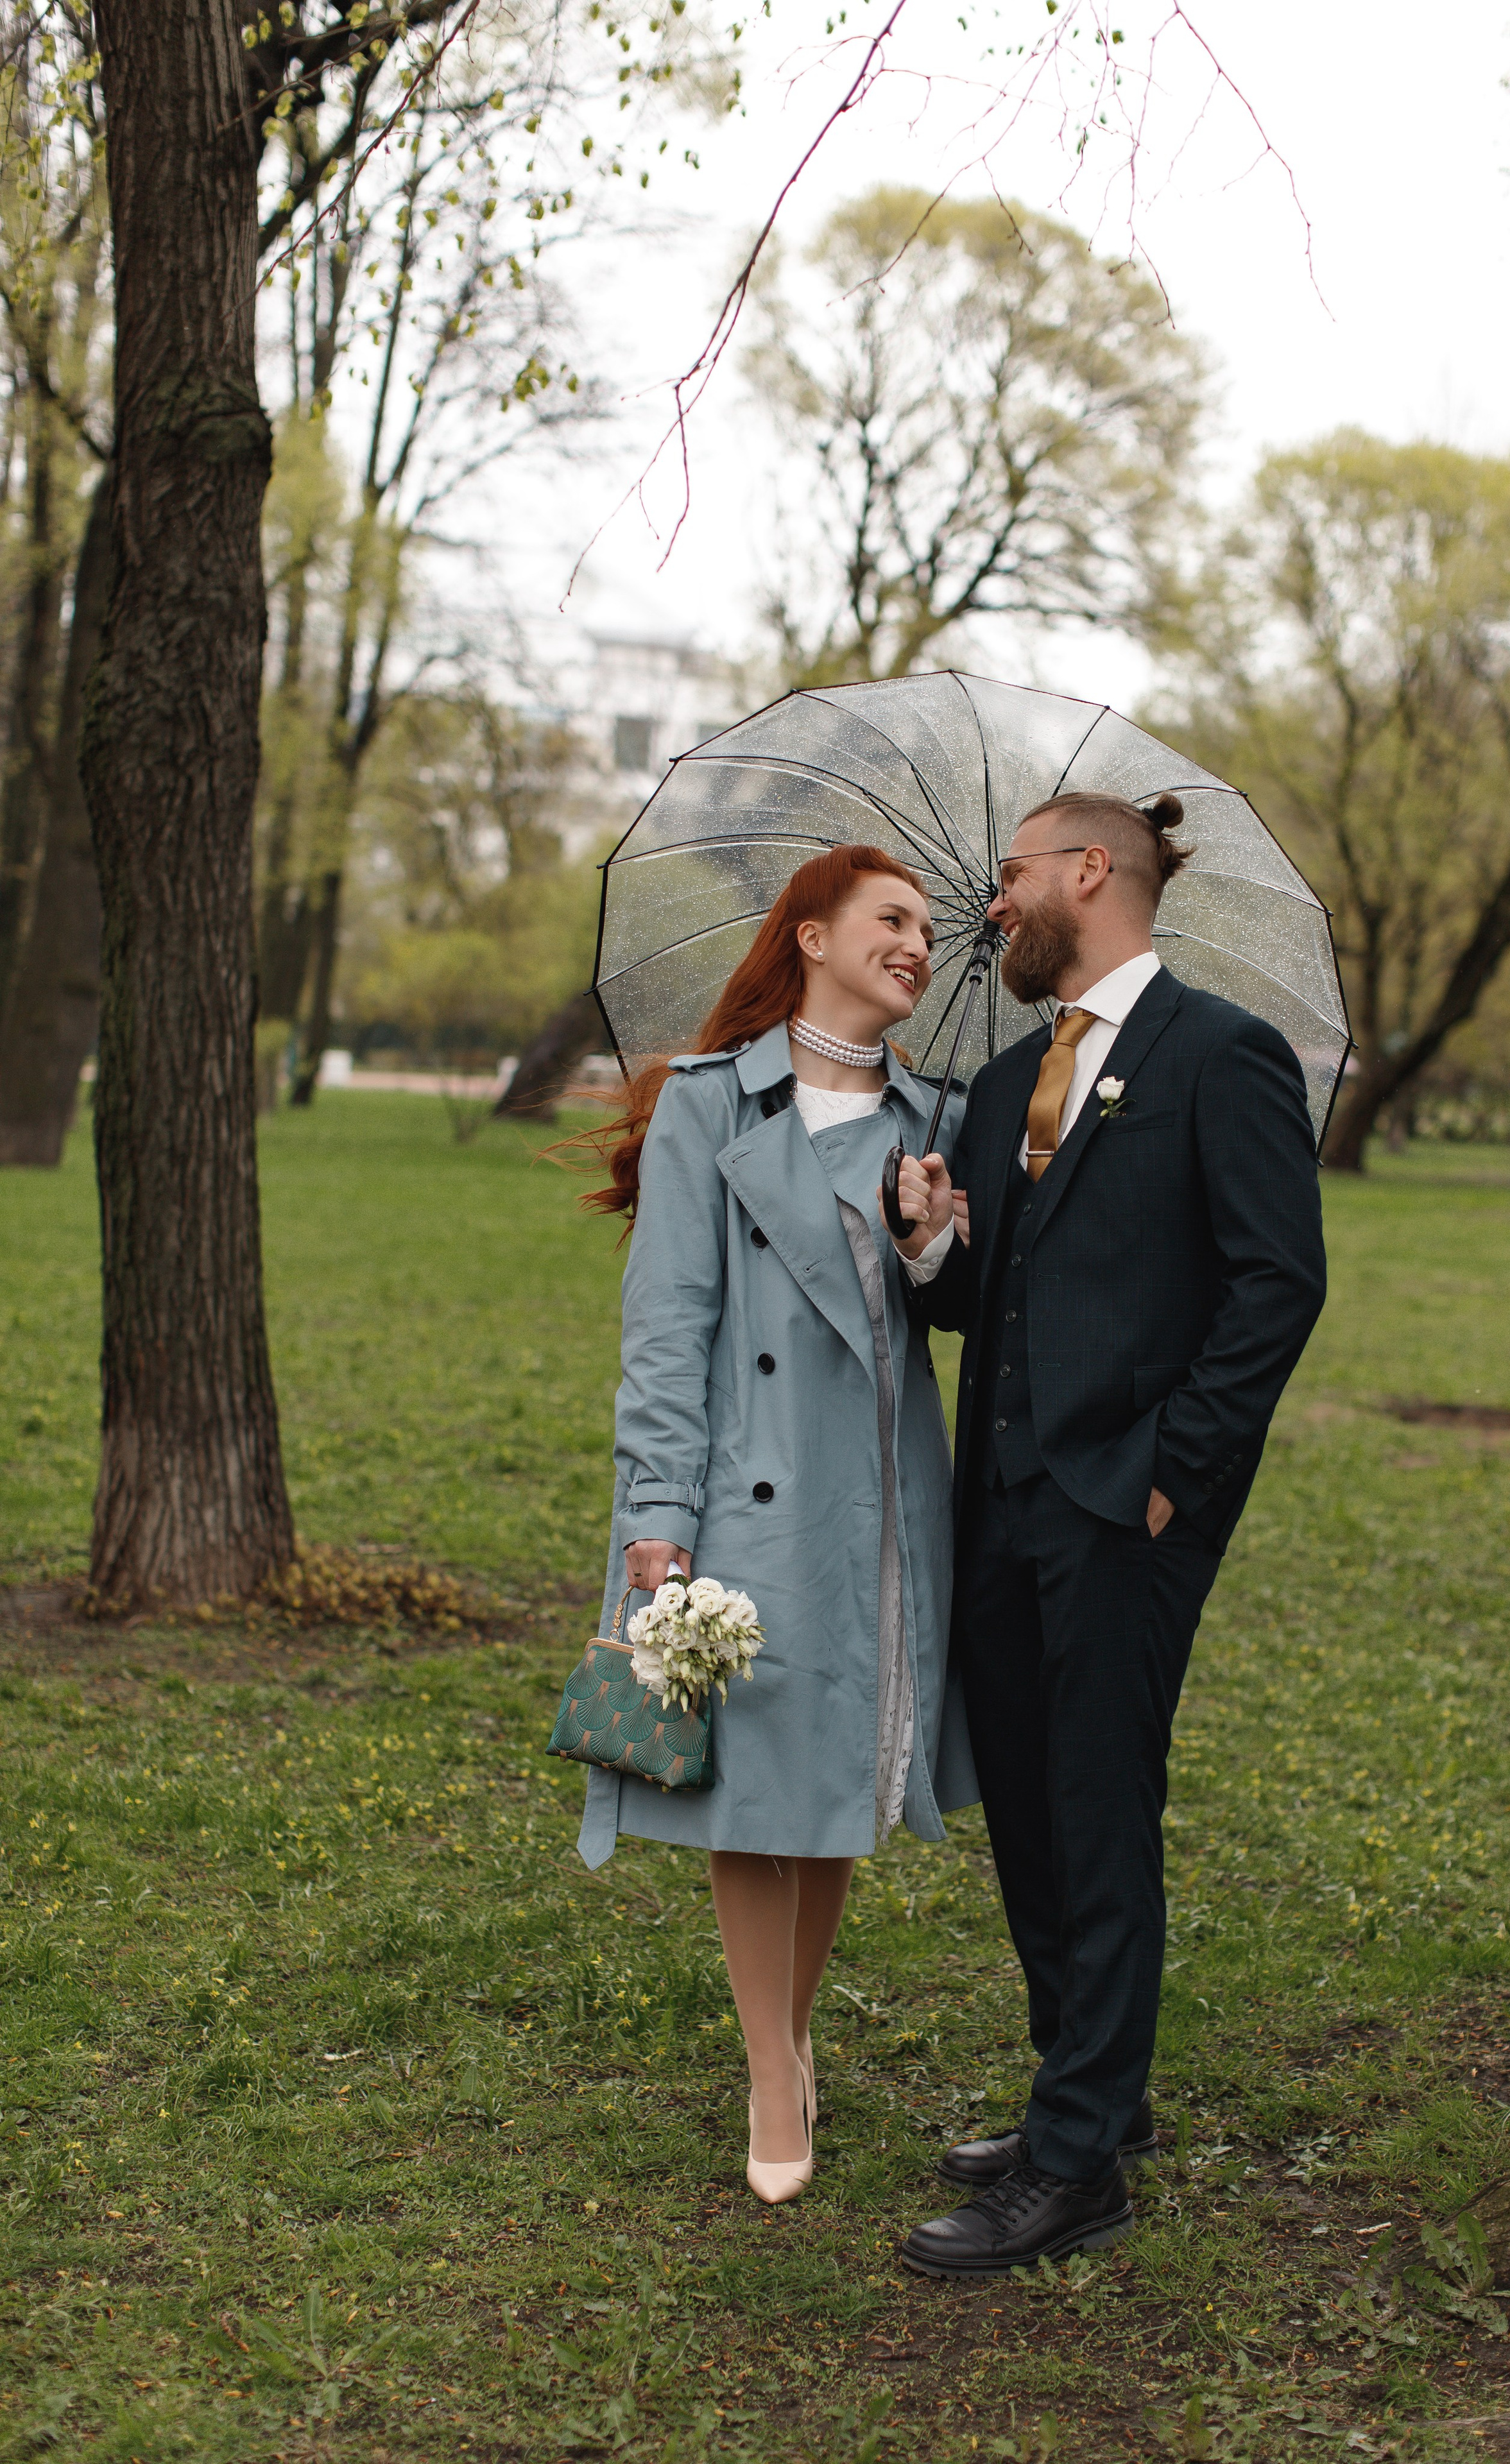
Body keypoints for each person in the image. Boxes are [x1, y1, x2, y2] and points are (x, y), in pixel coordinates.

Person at [885, 789, 1328, 2277]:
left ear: (1090, 872)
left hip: (1126, 1511)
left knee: (1095, 1803)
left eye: (1008, 875)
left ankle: (1074, 2170)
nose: (990, 902)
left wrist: (1170, 1475)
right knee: (1022, 1795)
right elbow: (976, 1304)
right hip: (997, 1503)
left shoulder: (1219, 1056)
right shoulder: (1011, 1070)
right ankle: (1092, 2089)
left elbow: (1275, 1284)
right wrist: (932, 1245)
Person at [578, 844, 977, 2206]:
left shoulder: (936, 1119)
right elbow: (668, 1326)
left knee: (833, 1785)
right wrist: (654, 1513)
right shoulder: (706, 1109)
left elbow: (950, 1310)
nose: (918, 945)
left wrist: (929, 1240)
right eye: (890, 919)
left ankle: (791, 2034)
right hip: (746, 1488)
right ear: (807, 936)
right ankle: (770, 2065)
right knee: (752, 1790)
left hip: (873, 1495)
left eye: (929, 930)